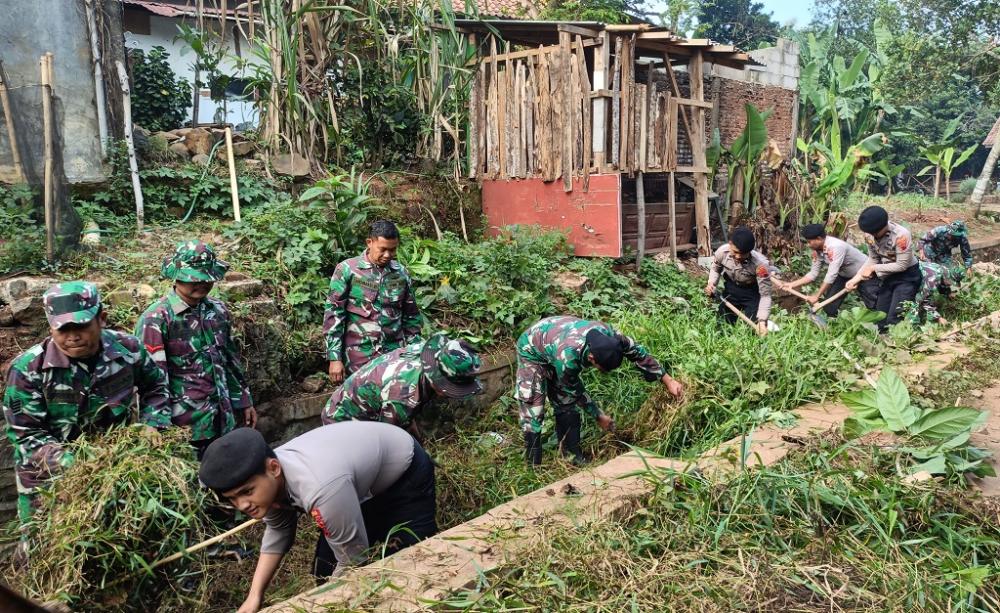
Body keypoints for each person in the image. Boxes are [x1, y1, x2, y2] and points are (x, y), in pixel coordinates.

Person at [198, 423, 437, 613]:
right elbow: (279, 532)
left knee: (413, 563)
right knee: (325, 571)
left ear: (274, 468)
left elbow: (354, 560)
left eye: (247, 493)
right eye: (232, 499)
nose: (242, 505)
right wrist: (254, 596)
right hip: (354, 482)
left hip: (405, 472)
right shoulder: (264, 481)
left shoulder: (320, 487)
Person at [2, 282, 170, 530]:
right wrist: (80, 466)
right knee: (45, 549)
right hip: (48, 480)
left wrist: (152, 423)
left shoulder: (128, 349)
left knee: (118, 536)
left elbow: (156, 386)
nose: (72, 336)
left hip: (118, 468)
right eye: (62, 329)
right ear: (50, 326)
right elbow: (26, 434)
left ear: (101, 319)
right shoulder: (27, 370)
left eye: (80, 326)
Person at [135, 240, 256, 459]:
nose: (201, 283)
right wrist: (153, 423)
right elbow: (149, 378)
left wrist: (243, 401)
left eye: (206, 278)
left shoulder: (218, 311)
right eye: (194, 278)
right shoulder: (156, 319)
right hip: (183, 428)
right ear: (177, 276)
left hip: (222, 419)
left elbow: (229, 359)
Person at [515, 315, 684, 465]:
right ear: (591, 358)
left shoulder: (613, 338)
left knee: (565, 403)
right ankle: (533, 463)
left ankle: (571, 456)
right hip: (533, 348)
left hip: (556, 337)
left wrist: (668, 380)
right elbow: (575, 390)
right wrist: (598, 415)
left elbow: (638, 352)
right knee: (534, 407)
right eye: (601, 368)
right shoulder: (569, 356)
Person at [322, 333, 482, 436]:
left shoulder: (429, 353)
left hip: (375, 406)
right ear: (441, 385)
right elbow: (388, 440)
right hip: (344, 422)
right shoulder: (404, 395)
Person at [324, 220, 423, 385]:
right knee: (361, 405)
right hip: (358, 359)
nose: (387, 255)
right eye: (382, 249)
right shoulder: (347, 270)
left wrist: (417, 351)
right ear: (369, 243)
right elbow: (334, 314)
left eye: (392, 250)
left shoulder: (401, 274)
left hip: (394, 357)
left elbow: (411, 317)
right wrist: (334, 358)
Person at [773, 223, 878, 317]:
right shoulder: (817, 250)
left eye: (810, 242)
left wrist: (816, 295)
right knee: (829, 306)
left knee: (873, 303)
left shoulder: (836, 247)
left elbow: (831, 274)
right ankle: (831, 326)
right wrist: (792, 284)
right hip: (844, 275)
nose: (808, 245)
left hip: (864, 273)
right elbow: (813, 274)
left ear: (819, 238)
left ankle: (882, 329)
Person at [847, 206, 922, 332]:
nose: (872, 236)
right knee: (880, 316)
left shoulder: (901, 235)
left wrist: (873, 268)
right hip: (889, 275)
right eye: (870, 233)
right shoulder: (869, 234)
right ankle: (883, 339)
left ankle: (896, 343)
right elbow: (873, 258)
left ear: (884, 226)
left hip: (907, 276)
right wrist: (855, 279)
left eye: (875, 233)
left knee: (894, 318)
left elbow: (901, 265)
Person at [704, 226, 773, 334]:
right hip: (731, 289)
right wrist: (712, 284)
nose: (737, 256)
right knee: (723, 327)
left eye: (742, 254)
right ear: (730, 243)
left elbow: (765, 295)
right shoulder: (722, 252)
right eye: (735, 252)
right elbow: (715, 269)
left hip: (752, 293)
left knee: (755, 331)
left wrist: (762, 320)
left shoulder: (761, 265)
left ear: (750, 251)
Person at [907, 260, 953, 325]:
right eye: (950, 283)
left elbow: (944, 283)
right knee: (916, 300)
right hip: (907, 279)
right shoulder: (931, 281)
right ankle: (913, 326)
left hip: (915, 270)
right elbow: (925, 302)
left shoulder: (942, 269)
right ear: (946, 278)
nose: (951, 285)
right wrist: (938, 318)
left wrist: (949, 292)